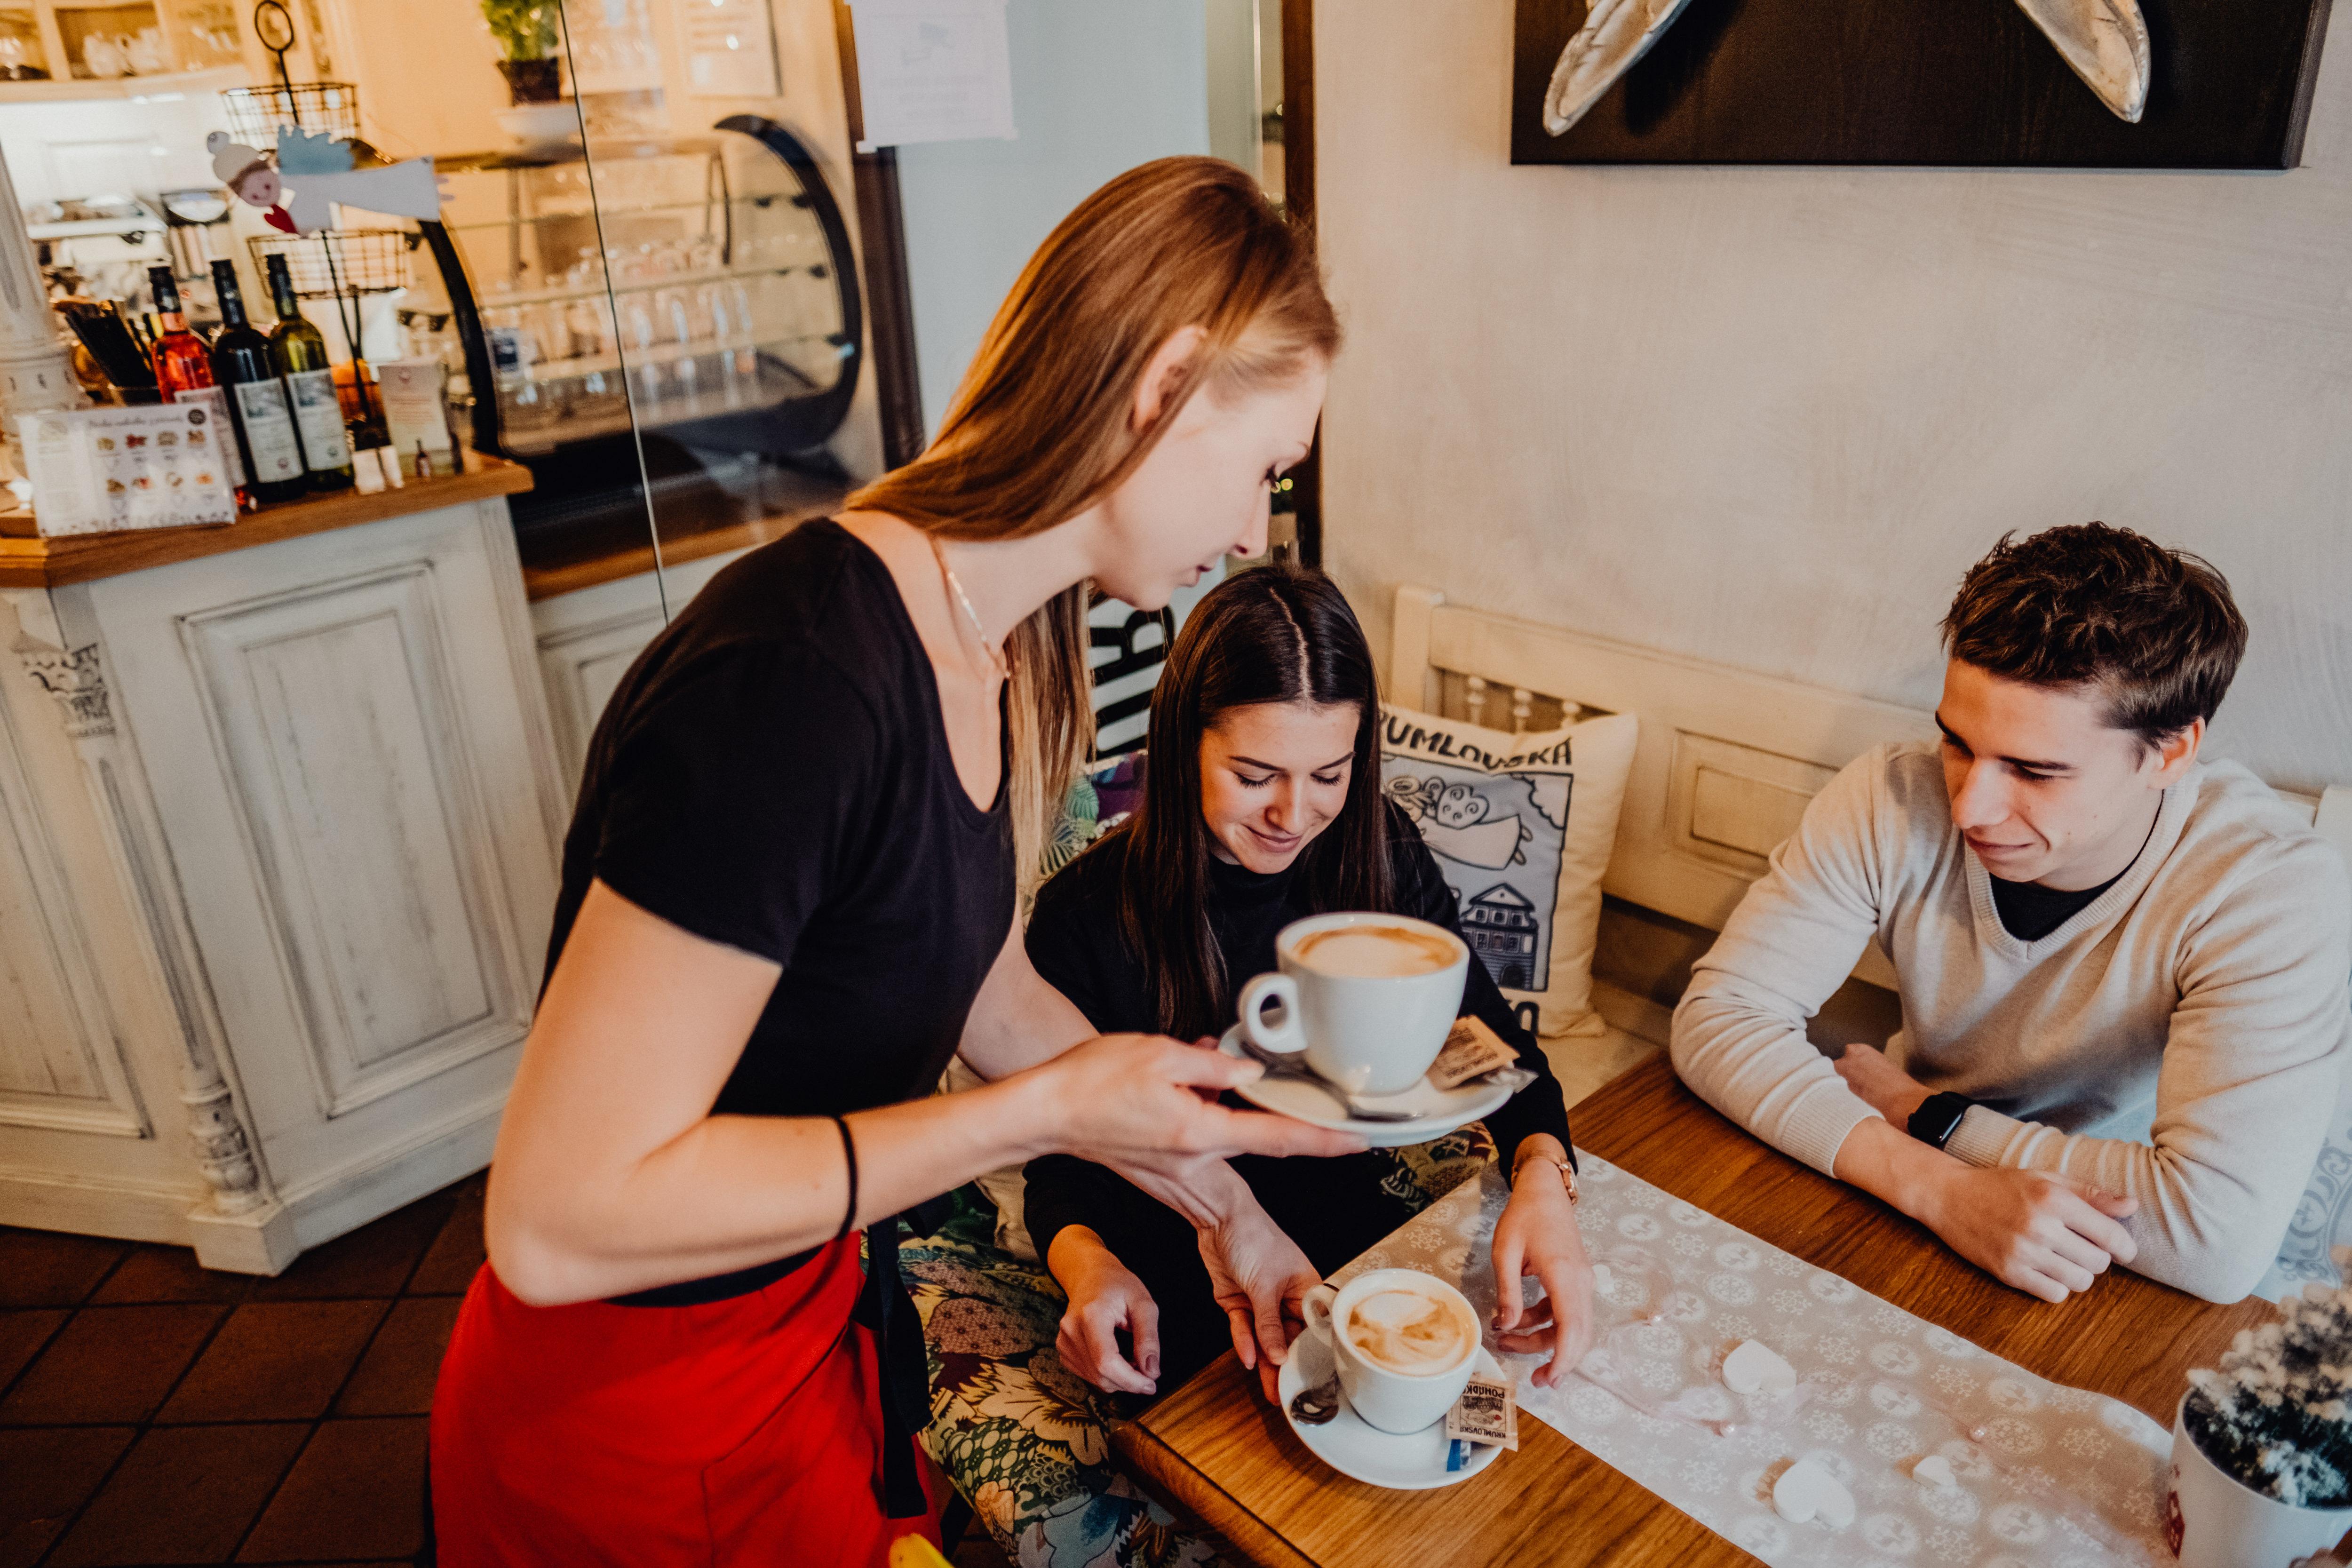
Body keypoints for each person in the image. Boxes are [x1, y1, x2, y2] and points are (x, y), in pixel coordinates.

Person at [428, 158, 1370, 1567]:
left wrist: (1228, 1210)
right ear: (1163, 386)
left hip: (804, 1335)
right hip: (631, 1407)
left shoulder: (1005, 645)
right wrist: (1036, 1113)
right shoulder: (795, 674)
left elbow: (975, 982)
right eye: (1266, 470)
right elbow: (556, 1219)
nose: (1253, 532)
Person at [1672, 523, 2352, 1306]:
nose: (1970, 806)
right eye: (1958, 743)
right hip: (1895, 1178)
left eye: (2035, 769)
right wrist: (1938, 1186)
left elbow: (2213, 1238)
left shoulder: (2269, 885)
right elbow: (1720, 1017)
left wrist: (1925, 1113)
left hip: (2116, 1258)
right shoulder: (1889, 794)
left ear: (2171, 751)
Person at [1023, 563, 1597, 1401]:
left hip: (1362, 1242)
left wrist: (1546, 1179)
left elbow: (1491, 1045)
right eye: (1256, 776)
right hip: (1175, 1272)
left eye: (1329, 774)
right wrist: (1089, 1269)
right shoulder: (1084, 915)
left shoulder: (1379, 849)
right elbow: (1057, 1168)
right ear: (1184, 744)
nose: (1294, 815)